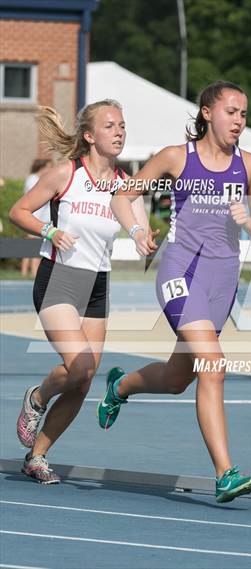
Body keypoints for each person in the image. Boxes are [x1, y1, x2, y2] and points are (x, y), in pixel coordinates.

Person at [98, 80, 251, 503]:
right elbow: (124, 195)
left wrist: (248, 220)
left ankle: (121, 386)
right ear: (208, 113)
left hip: (222, 278)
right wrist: (138, 230)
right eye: (231, 112)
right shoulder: (177, 157)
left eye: (244, 114)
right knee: (213, 364)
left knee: (180, 378)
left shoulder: (250, 164)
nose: (239, 121)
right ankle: (225, 472)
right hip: (181, 270)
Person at [9, 99, 154, 484]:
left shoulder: (126, 185)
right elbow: (19, 211)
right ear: (89, 136)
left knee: (84, 379)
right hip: (59, 276)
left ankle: (37, 456)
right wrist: (50, 230)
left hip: (96, 284)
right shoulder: (65, 174)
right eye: (109, 126)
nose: (119, 131)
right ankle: (37, 397)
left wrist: (144, 239)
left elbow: (139, 225)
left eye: (122, 125)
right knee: (82, 366)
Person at [21, 159, 52, 278]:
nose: (50, 169)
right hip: (33, 217)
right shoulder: (33, 179)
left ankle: (31, 273)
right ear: (42, 167)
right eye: (48, 167)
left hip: (43, 219)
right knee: (32, 247)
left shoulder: (40, 179)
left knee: (36, 247)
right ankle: (30, 273)